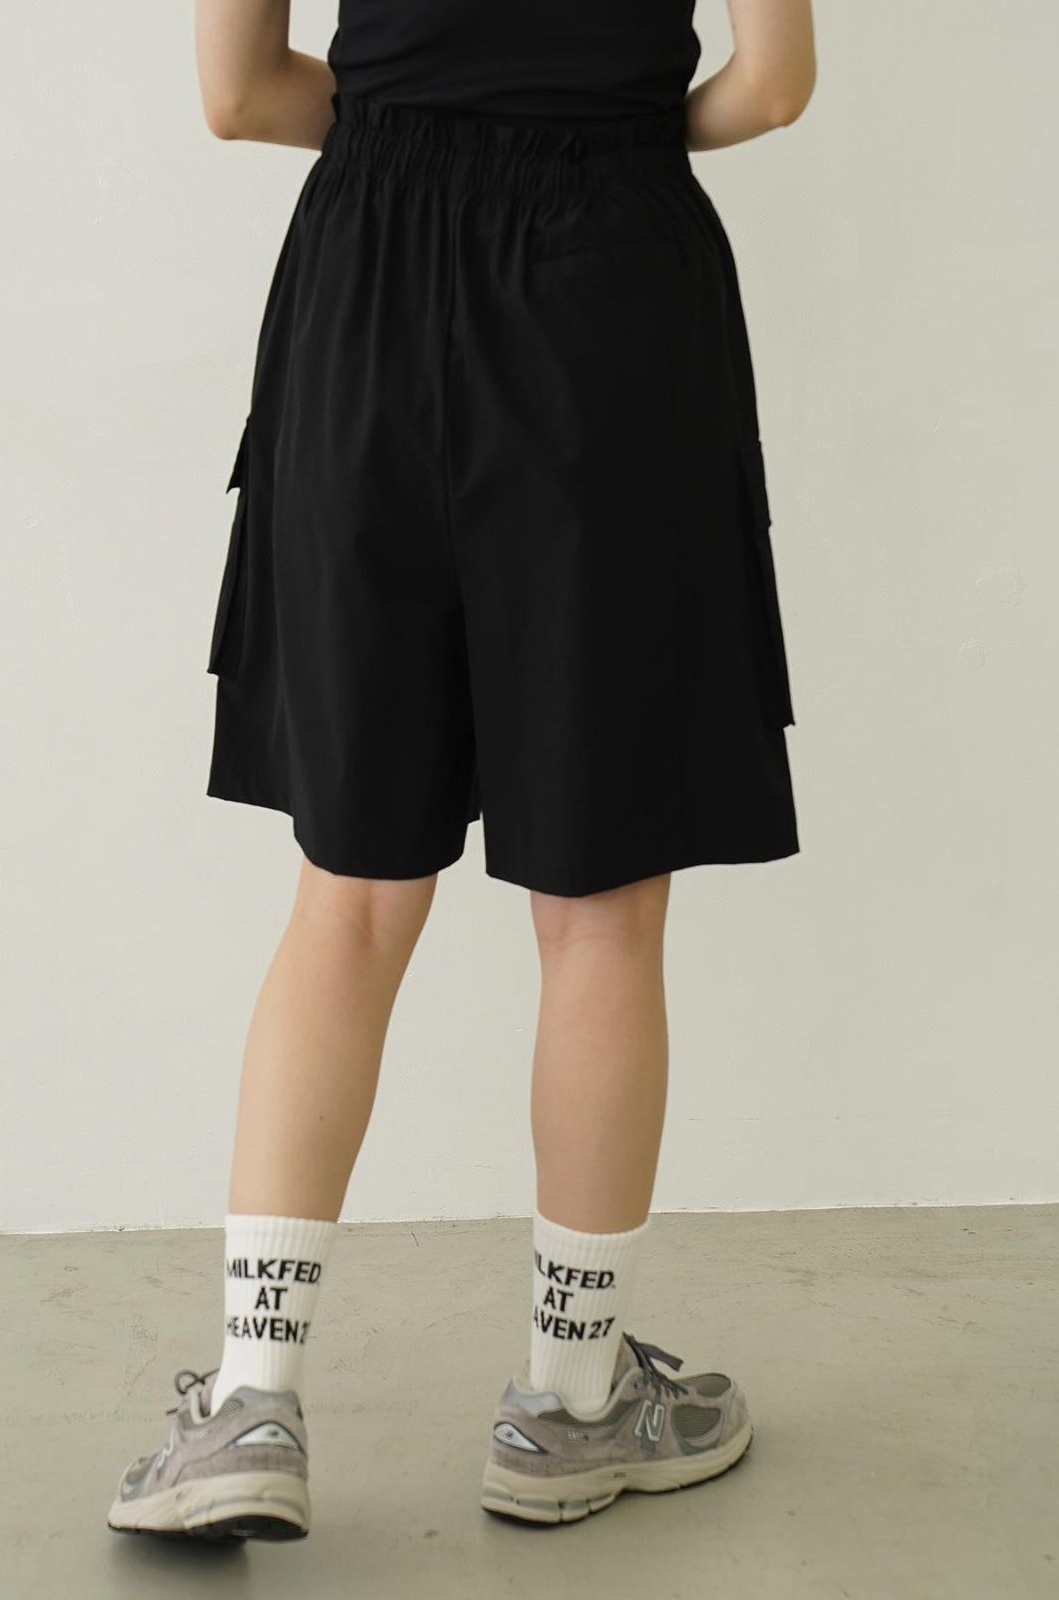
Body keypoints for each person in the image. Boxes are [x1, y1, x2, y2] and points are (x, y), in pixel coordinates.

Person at [109, 0, 815, 1541]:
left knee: (350, 892)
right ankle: (571, 1402)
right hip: (614, 284)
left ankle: (248, 1403)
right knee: (600, 902)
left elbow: (237, 93)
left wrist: (406, 127)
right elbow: (770, 88)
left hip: (364, 278)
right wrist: (616, 131)